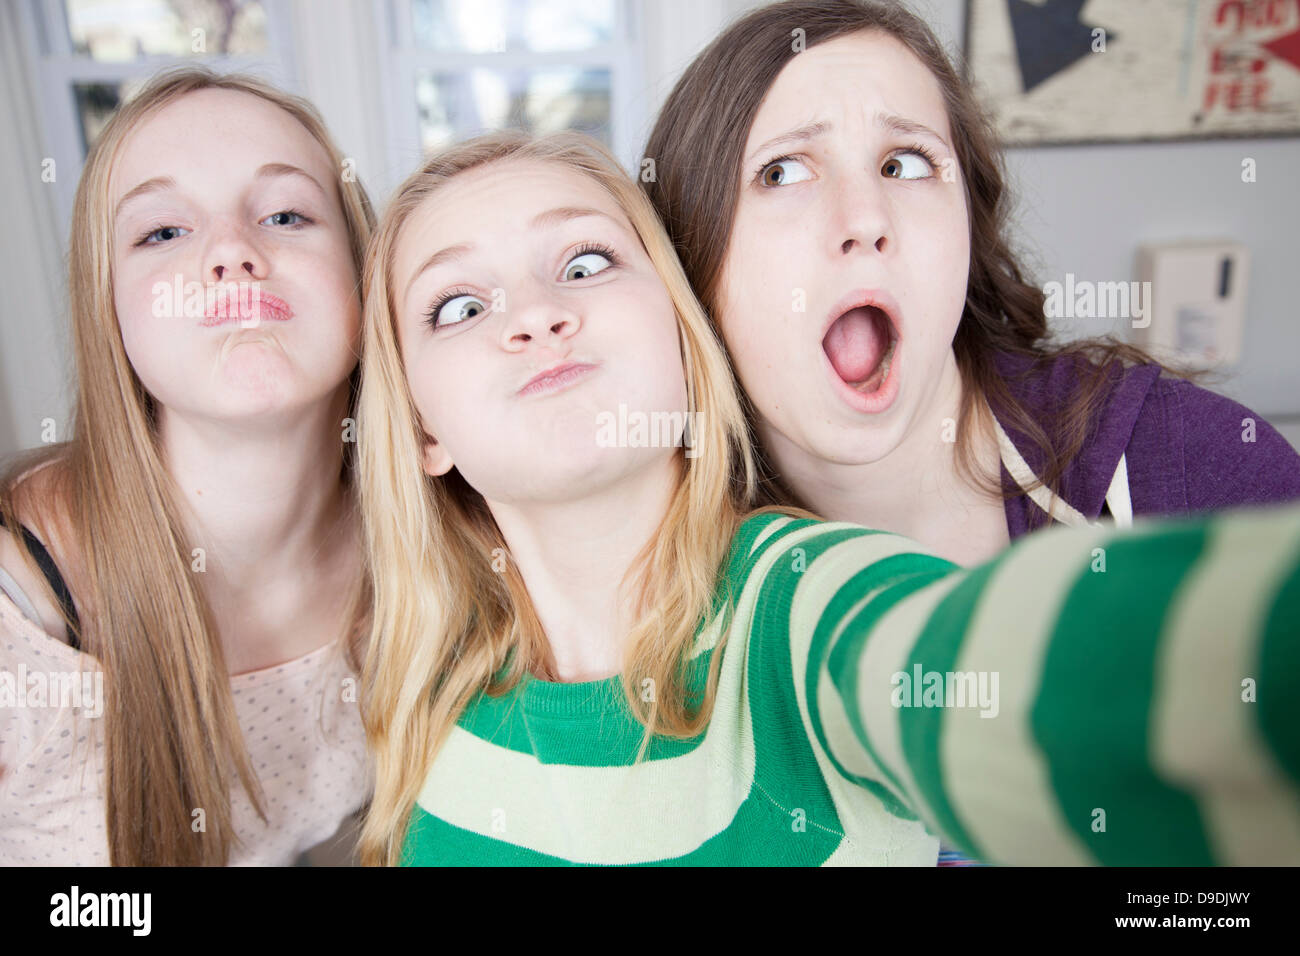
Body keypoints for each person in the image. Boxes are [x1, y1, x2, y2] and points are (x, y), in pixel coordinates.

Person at [353, 129, 1300, 867]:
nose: (535, 315)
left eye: (586, 263)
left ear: (686, 342)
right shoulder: (427, 698)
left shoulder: (805, 605)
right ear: (424, 430)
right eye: (460, 307)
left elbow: (977, 677)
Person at [640, 0, 1300, 863]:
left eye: (907, 161)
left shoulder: (1186, 470)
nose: (863, 218)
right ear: (693, 265)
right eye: (782, 172)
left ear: (966, 230)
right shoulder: (668, 605)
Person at [0, 67, 374, 865]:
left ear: (362, 274)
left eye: (285, 214)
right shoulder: (19, 616)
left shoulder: (435, 547)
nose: (234, 253)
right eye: (163, 233)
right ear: (112, 315)